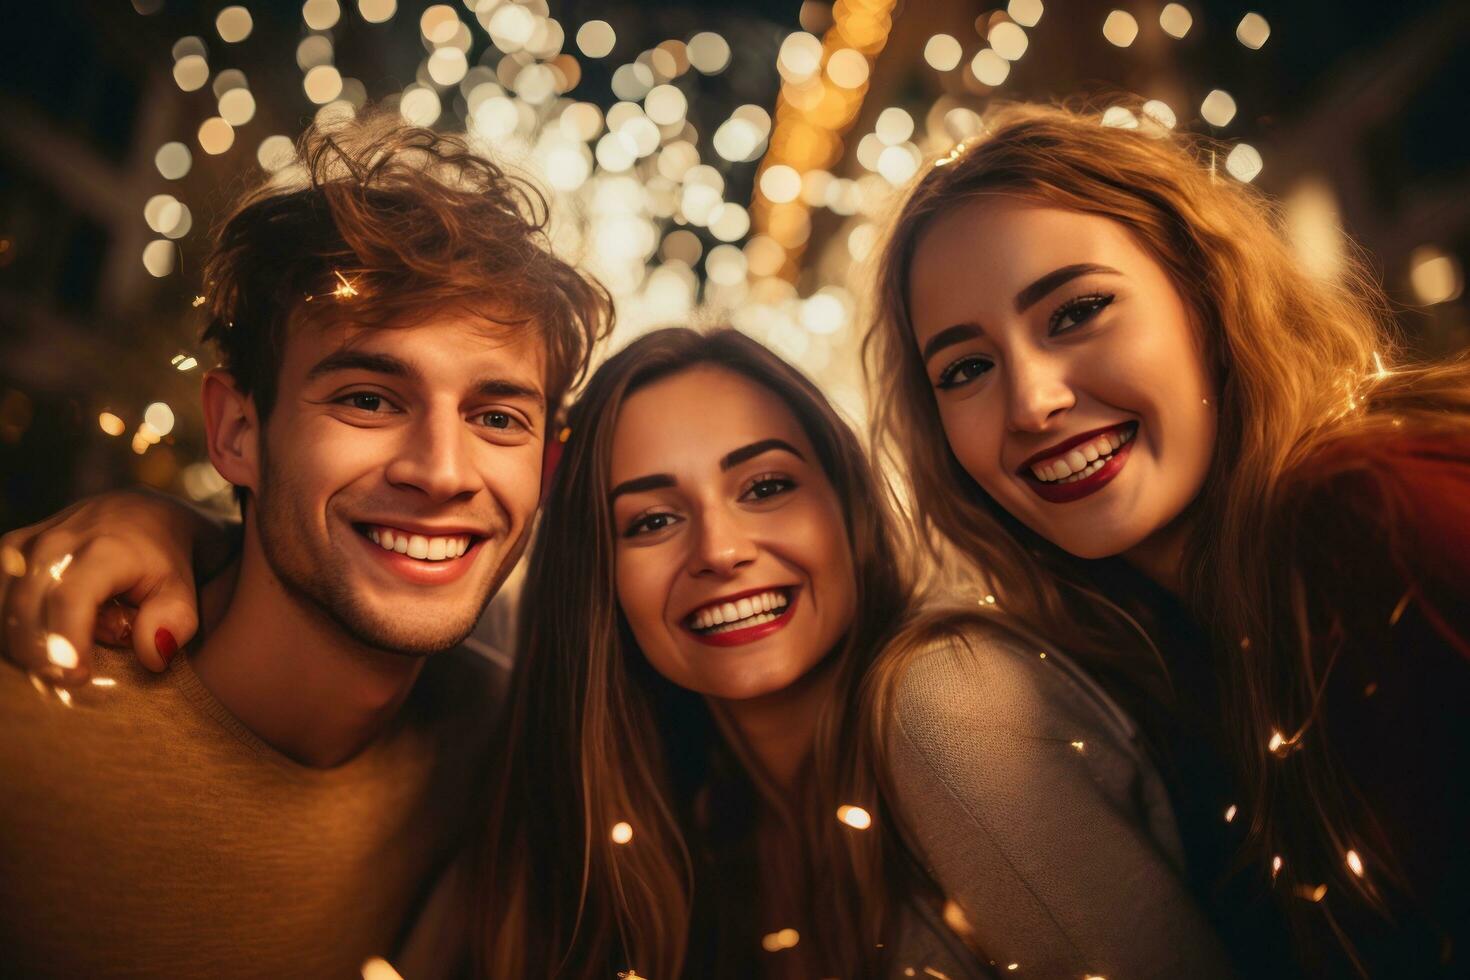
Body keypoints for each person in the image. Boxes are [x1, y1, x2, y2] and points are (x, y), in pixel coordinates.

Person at [4, 330, 1233, 979]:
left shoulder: (943, 708)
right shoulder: (620, 807)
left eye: (766, 486)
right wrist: (180, 525)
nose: (719, 548)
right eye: (650, 517)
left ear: (851, 510)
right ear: (602, 578)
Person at [867, 101, 1470, 977]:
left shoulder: (1364, 515)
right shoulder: (1144, 657)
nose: (1031, 402)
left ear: (1206, 294)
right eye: (966, 369)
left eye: (1075, 313)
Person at [0, 111, 609, 977]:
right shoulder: (26, 719)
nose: (442, 472)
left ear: (545, 469)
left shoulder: (503, 747)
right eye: (368, 399)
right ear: (238, 432)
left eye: (497, 416)